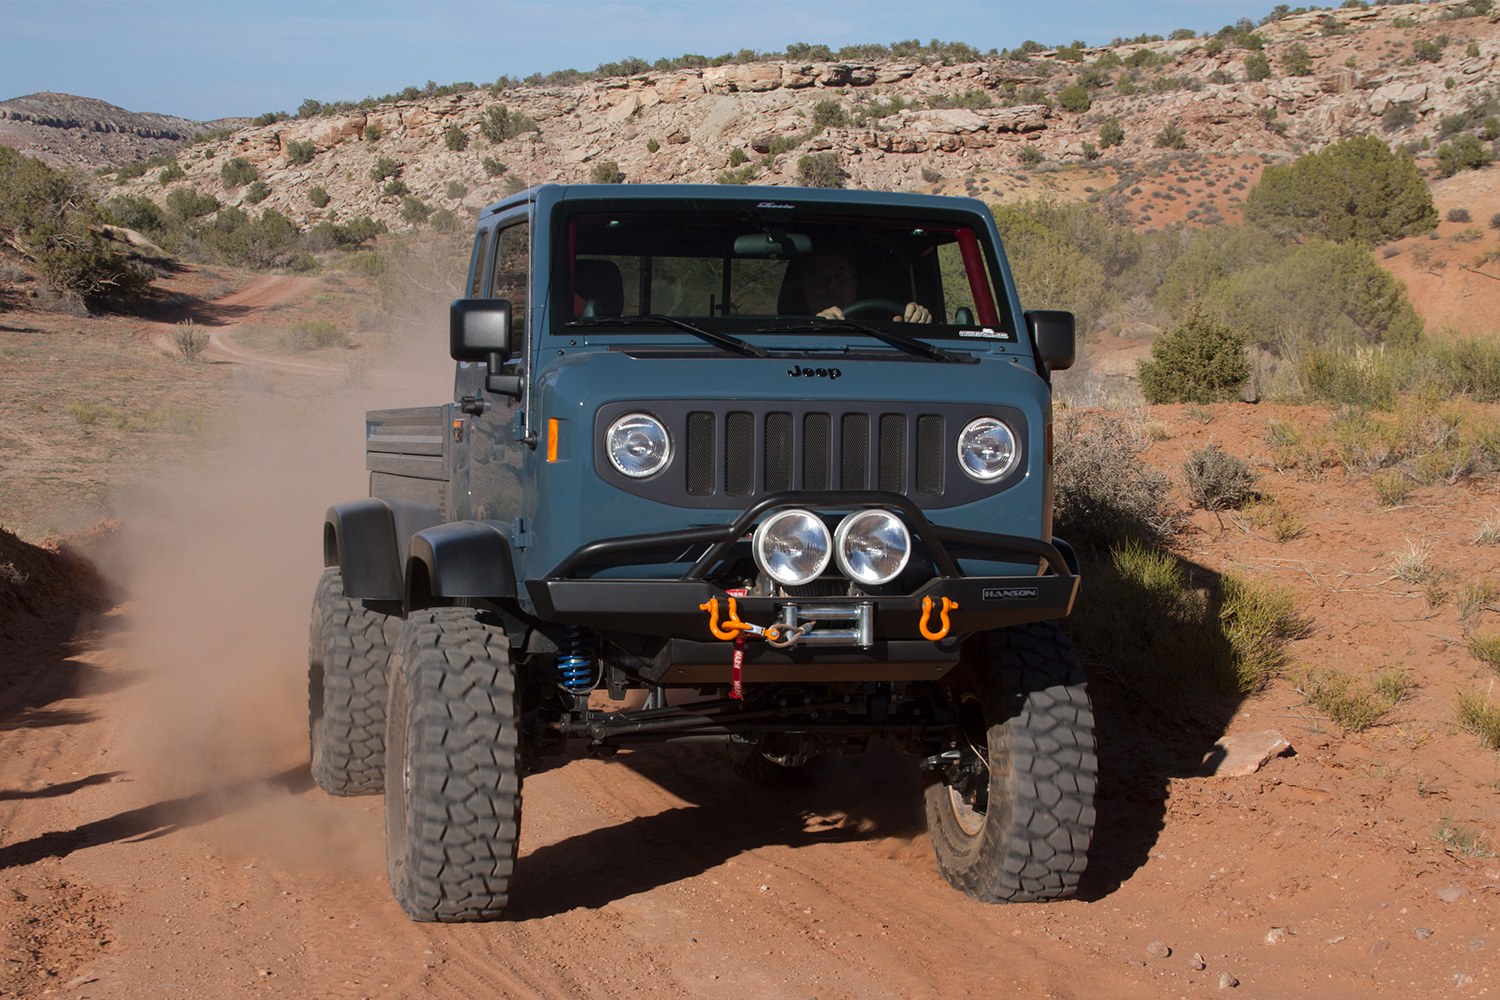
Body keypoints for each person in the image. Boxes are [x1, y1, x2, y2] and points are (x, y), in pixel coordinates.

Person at [801, 248, 932, 323]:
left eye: (840, 277)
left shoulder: (884, 333)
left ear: (854, 286)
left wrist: (918, 320)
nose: (832, 285)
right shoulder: (788, 339)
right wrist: (816, 329)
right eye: (820, 279)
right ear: (806, 290)